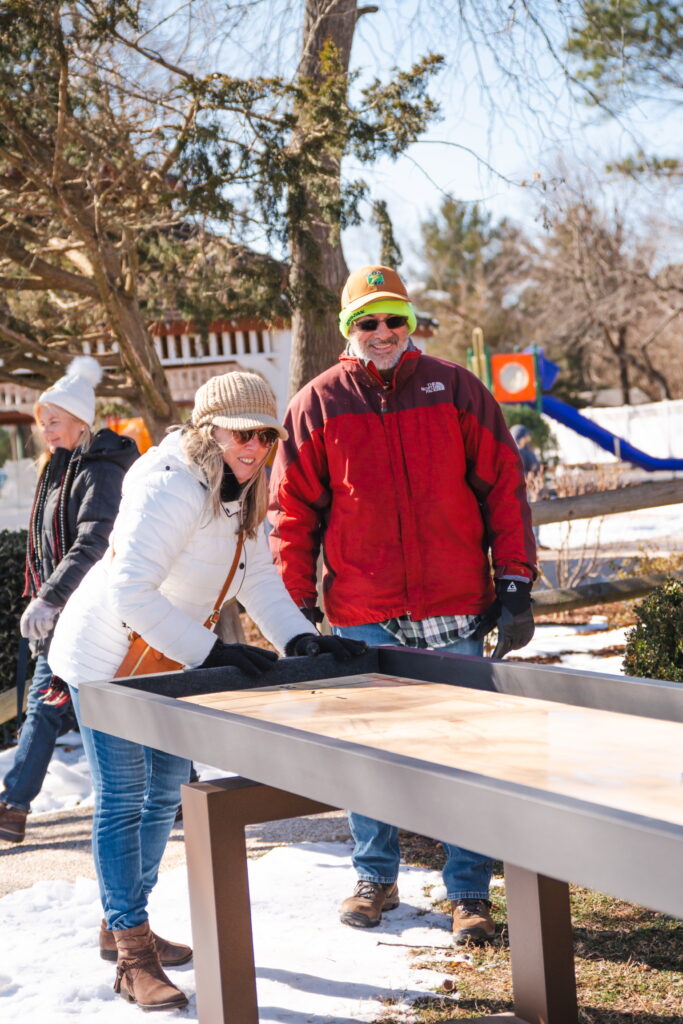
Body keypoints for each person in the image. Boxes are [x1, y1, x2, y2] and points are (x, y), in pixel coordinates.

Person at [49, 370, 365, 1012]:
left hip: (167, 660)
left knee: (165, 792)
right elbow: (129, 591)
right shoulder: (171, 487)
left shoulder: (239, 493)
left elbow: (259, 582)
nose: (252, 446)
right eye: (239, 434)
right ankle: (132, 953)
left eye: (264, 436)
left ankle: (121, 922)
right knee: (123, 797)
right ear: (208, 431)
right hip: (107, 657)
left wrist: (299, 640)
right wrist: (214, 651)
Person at [269, 265, 537, 946]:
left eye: (395, 319)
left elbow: (503, 487)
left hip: (453, 605)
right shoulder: (317, 403)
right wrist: (292, 611)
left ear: (410, 322)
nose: (383, 333)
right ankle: (374, 876)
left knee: (464, 752)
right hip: (363, 609)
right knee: (369, 752)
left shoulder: (456, 390)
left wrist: (514, 582)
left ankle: (469, 891)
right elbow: (290, 515)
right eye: (368, 322)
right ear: (348, 331)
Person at [0, 357, 138, 844]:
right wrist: (40, 598)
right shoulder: (58, 470)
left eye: (54, 421)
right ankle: (12, 806)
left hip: (96, 610)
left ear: (81, 420)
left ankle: (176, 787)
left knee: (123, 704)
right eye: (42, 424)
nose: (46, 431)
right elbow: (45, 548)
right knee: (45, 705)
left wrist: (50, 598)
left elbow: (94, 541)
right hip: (60, 611)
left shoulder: (100, 469)